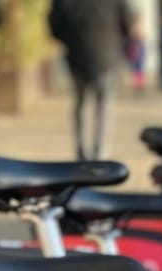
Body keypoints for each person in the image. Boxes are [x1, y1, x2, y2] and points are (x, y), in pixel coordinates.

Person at [48, 0, 133, 160]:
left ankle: (81, 152)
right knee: (104, 106)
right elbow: (127, 22)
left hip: (77, 54)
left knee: (81, 104)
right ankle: (100, 153)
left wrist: (70, 39)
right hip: (107, 54)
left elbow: (54, 25)